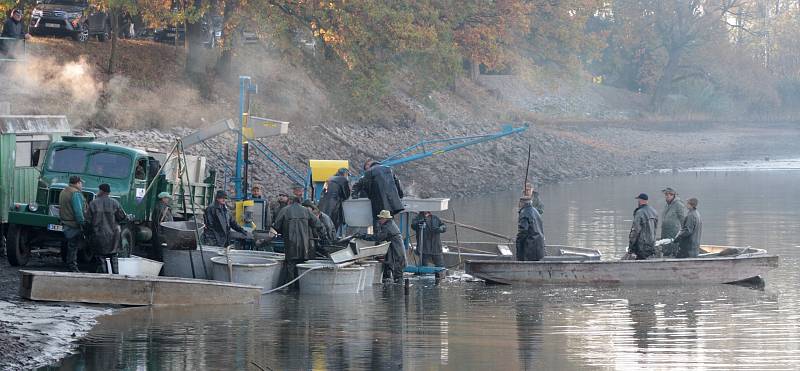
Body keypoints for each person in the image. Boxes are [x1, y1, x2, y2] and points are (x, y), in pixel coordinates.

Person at [274, 197, 323, 290]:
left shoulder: (285, 210)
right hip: (304, 246)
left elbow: (276, 226)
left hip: (290, 245)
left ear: (289, 202)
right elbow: (317, 224)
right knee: (301, 268)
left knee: (291, 267)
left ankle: (291, 291)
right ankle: (301, 289)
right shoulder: (306, 211)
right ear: (300, 202)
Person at [87, 184, 127, 274]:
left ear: (101, 191)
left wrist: (88, 234)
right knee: (114, 256)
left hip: (98, 234)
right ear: (108, 192)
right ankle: (116, 276)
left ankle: (104, 276)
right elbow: (122, 217)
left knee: (100, 257)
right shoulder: (115, 203)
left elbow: (88, 220)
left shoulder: (93, 203)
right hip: (114, 235)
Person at [352, 160, 404, 227]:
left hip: (377, 204)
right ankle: (390, 236)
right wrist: (400, 195)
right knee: (389, 222)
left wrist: (356, 196)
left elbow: (363, 186)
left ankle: (374, 235)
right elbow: (397, 183)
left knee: (375, 224)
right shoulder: (389, 169)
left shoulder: (369, 172)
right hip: (391, 203)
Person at [364, 210, 406, 283]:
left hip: (396, 250)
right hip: (396, 248)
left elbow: (379, 237)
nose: (380, 220)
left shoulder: (387, 227)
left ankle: (399, 289)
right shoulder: (390, 224)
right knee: (395, 266)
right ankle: (395, 284)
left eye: (381, 218)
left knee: (397, 269)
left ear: (385, 219)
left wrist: (364, 236)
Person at [58, 176, 87, 272]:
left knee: (70, 245)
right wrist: (83, 223)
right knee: (73, 247)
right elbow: (78, 211)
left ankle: (70, 265)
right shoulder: (76, 193)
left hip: (65, 223)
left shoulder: (64, 191)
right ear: (78, 183)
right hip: (73, 225)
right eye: (81, 183)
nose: (82, 185)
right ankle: (73, 268)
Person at [318, 167, 351, 233]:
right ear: (345, 174)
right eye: (347, 175)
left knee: (324, 221)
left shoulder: (329, 178)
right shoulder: (343, 179)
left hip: (322, 204)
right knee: (334, 222)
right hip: (333, 203)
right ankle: (332, 238)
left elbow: (323, 192)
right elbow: (346, 195)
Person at [628, 193, 659, 260]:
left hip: (641, 246)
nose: (638, 202)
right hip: (651, 244)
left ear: (640, 200)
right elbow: (655, 228)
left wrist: (631, 246)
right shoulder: (654, 211)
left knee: (639, 263)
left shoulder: (639, 212)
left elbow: (635, 230)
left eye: (638, 200)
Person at [659, 187, 687, 257]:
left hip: (674, 233)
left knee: (673, 251)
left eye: (669, 194)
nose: (667, 196)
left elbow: (683, 220)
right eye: (666, 194)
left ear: (673, 195)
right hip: (665, 233)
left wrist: (682, 234)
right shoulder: (667, 205)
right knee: (666, 250)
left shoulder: (679, 205)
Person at [516, 197, 545, 261]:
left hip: (530, 249)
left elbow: (522, 233)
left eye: (519, 203)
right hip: (540, 248)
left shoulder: (524, 213)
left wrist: (518, 248)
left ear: (521, 203)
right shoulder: (536, 211)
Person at [149, 192, 174, 261]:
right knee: (160, 252)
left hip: (160, 233)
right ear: (163, 198)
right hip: (161, 234)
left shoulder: (164, 207)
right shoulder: (161, 208)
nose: (168, 199)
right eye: (167, 198)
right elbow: (161, 222)